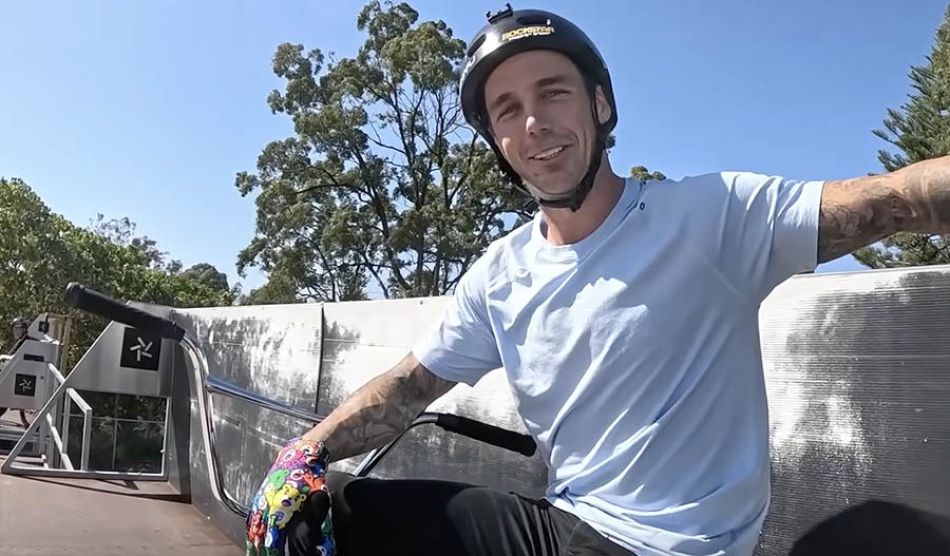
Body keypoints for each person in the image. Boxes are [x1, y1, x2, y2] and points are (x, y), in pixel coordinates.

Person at [244, 5, 950, 556]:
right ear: (497, 142)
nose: (535, 124)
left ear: (600, 105)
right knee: (319, 510)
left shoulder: (711, 217)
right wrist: (301, 454)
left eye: (553, 93)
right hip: (565, 528)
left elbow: (891, 198)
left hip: (667, 547)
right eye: (508, 111)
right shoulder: (501, 276)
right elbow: (407, 387)